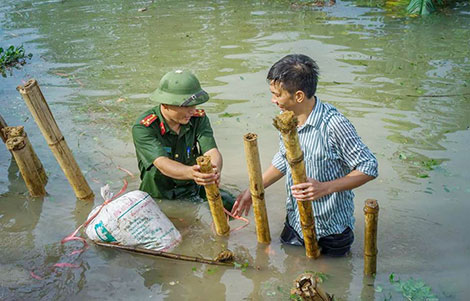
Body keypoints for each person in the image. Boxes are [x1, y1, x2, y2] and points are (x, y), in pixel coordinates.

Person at [231, 54, 378, 256]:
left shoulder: (334, 124)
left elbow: (369, 167)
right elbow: (284, 160)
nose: (273, 100)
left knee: (327, 282)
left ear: (298, 96)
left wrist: (324, 188)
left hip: (331, 232)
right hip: (295, 222)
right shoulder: (287, 121)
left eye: (277, 95)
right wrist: (253, 189)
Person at [132, 70, 226, 203]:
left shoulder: (197, 118)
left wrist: (214, 171)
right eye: (186, 106)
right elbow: (162, 163)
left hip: (192, 187)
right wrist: (192, 173)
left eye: (194, 105)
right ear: (165, 104)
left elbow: (211, 151)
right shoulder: (144, 127)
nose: (192, 111)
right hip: (159, 196)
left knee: (232, 205)